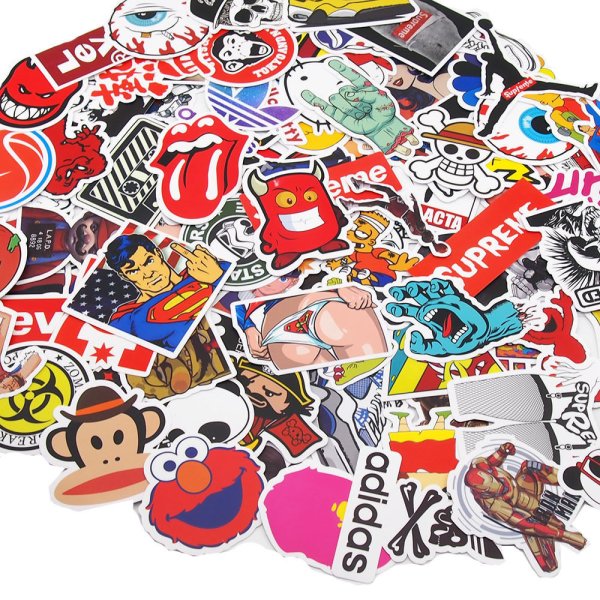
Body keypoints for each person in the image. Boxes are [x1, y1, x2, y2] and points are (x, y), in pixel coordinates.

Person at [105, 234, 227, 353]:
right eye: (133, 271)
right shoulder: (126, 318)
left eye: (149, 261)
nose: (148, 274)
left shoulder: (206, 272)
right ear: (124, 276)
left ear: (158, 253)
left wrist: (218, 276)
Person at [476, 19, 597, 138]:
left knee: (551, 86)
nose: (488, 56)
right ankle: (489, 129)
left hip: (519, 84)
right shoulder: (492, 63)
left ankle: (586, 91)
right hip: (517, 84)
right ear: (487, 58)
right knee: (550, 87)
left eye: (487, 55)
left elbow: (493, 43)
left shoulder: (495, 60)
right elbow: (487, 78)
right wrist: (486, 89)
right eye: (486, 56)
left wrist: (488, 30)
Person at [235, 285, 388, 370]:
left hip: (276, 324)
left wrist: (248, 327)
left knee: (334, 387)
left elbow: (229, 297)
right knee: (374, 370)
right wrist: (341, 285)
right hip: (323, 301)